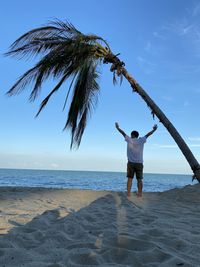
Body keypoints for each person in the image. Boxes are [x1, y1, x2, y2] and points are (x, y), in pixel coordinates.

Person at [115, 122, 158, 197]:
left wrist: (117, 127)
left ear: (132, 135)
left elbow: (123, 133)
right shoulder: (141, 140)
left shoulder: (129, 139)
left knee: (130, 179)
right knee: (139, 179)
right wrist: (154, 130)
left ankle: (128, 193)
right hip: (139, 163)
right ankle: (140, 194)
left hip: (131, 163)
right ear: (137, 136)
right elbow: (148, 134)